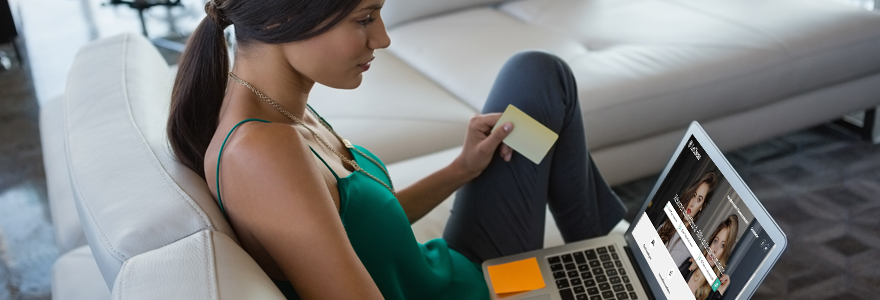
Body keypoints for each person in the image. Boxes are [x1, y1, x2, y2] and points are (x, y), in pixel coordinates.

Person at [166, 0, 626, 299]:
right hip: (480, 291)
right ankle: (624, 259)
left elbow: (361, 230)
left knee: (537, 74)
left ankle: (618, 252)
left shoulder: (280, 109)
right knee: (542, 80)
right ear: (283, 18)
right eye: (364, 18)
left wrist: (461, 169)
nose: (382, 38)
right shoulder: (262, 153)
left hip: (452, 268)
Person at [656, 171, 718, 266]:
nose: (692, 203)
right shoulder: (668, 223)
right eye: (693, 195)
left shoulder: (687, 249)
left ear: (701, 206)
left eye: (699, 199)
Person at [680, 214, 739, 300]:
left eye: (722, 245)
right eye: (715, 241)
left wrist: (719, 292)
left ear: (724, 254)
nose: (714, 250)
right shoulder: (690, 264)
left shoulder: (713, 290)